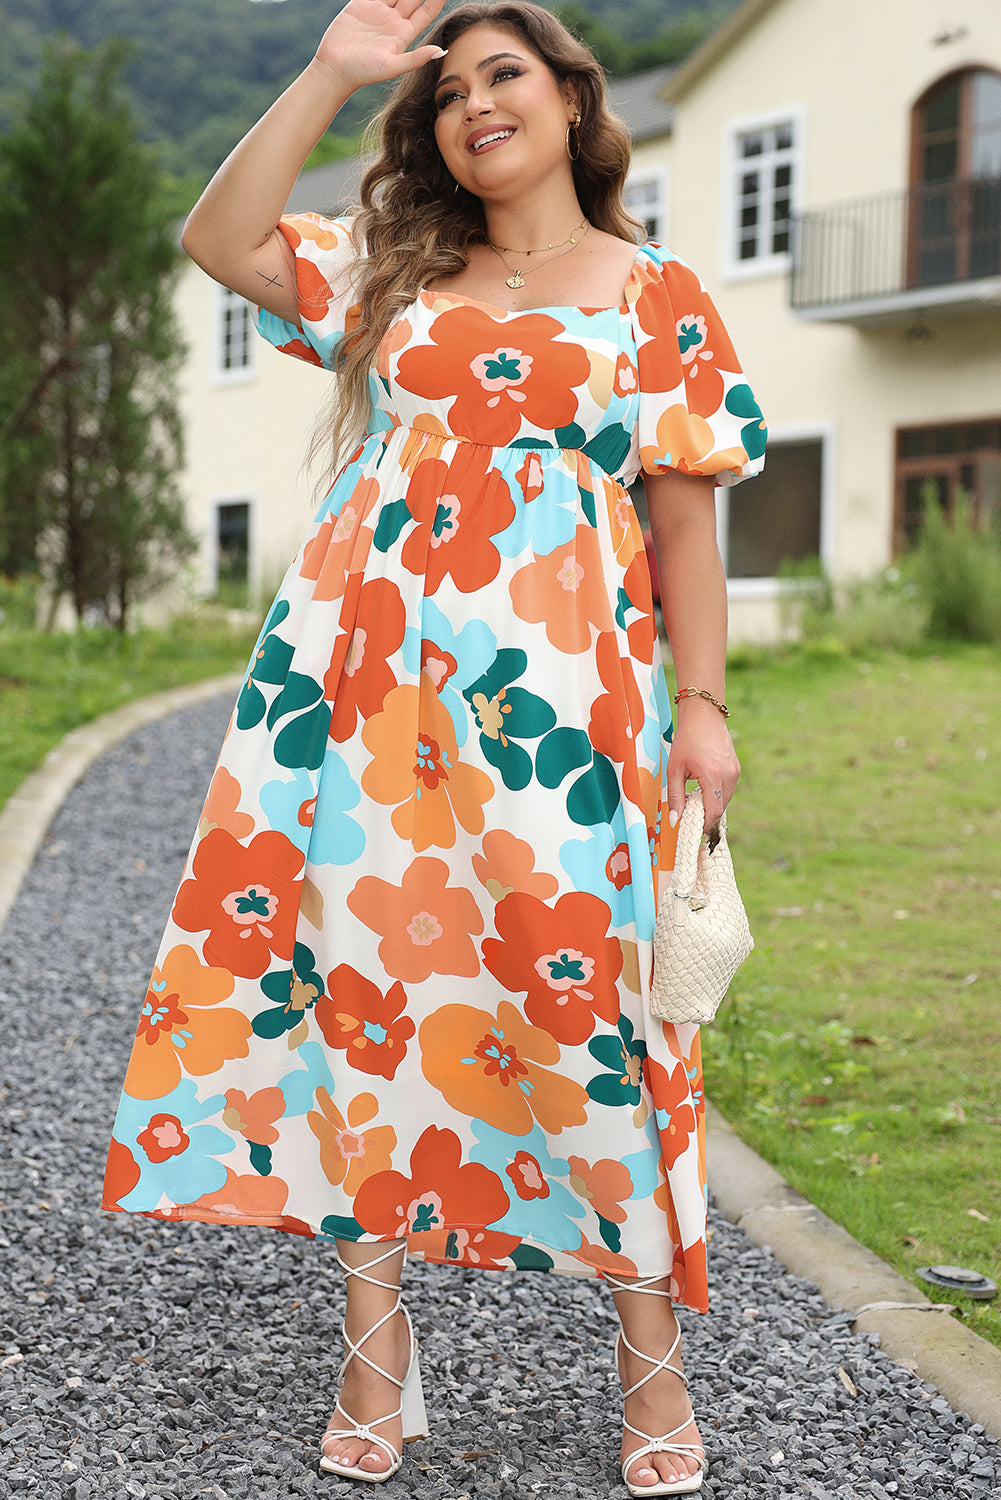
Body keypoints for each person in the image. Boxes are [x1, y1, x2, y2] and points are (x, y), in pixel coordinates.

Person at [102, 1, 765, 1492]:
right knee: (363, 986)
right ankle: (373, 1357)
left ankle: (649, 1373)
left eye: (503, 74)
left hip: (564, 704)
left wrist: (703, 711)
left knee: (591, 998)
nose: (475, 104)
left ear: (571, 93)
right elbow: (221, 239)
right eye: (450, 88)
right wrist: (333, 75)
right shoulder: (395, 265)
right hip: (356, 688)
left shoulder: (652, 289)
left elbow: (682, 523)